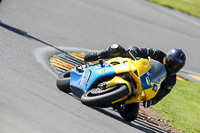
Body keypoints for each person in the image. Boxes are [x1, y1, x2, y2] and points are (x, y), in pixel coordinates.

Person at [83, 44, 186, 122]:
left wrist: (150, 101)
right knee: (116, 48)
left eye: (177, 67)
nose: (173, 68)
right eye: (173, 64)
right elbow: (139, 50)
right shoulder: (157, 54)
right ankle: (95, 56)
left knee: (131, 116)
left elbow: (161, 94)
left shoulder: (171, 80)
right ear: (168, 58)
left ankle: (117, 101)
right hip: (132, 69)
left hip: (140, 87)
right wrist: (134, 51)